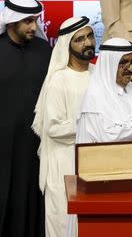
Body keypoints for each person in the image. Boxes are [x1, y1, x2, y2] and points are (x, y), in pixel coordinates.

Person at [32, 16, 95, 237]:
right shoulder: (59, 80)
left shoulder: (98, 75)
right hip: (63, 166)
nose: (88, 43)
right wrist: (89, 124)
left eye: (90, 36)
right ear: (68, 45)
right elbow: (54, 129)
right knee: (63, 227)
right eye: (80, 39)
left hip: (94, 167)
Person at [0, 0, 51, 237]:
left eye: (35, 20)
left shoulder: (44, 51)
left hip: (35, 147)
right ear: (11, 22)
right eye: (28, 21)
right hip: (2, 149)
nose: (34, 27)